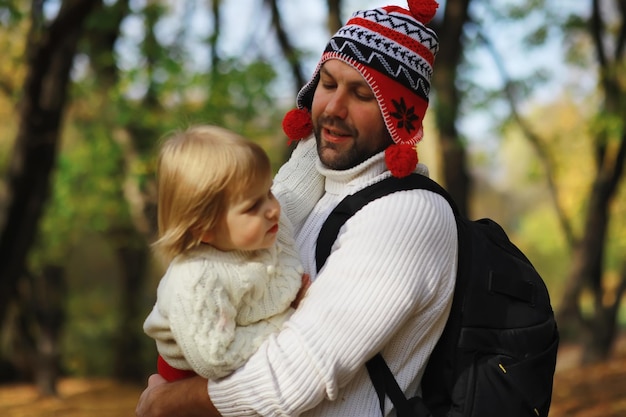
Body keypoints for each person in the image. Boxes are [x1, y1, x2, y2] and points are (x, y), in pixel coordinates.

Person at [136, 0, 458, 415]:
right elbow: (231, 226)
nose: (334, 108)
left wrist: (172, 400)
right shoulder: (323, 188)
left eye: (361, 93)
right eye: (327, 84)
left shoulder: (408, 215)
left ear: (401, 118)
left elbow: (294, 376)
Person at [143, 125, 316, 382]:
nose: (271, 208)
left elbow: (298, 182)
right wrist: (288, 318)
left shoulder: (268, 226)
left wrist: (317, 137)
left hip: (244, 351)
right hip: (192, 373)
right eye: (252, 206)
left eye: (267, 192)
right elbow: (217, 357)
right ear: (205, 229)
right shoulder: (197, 278)